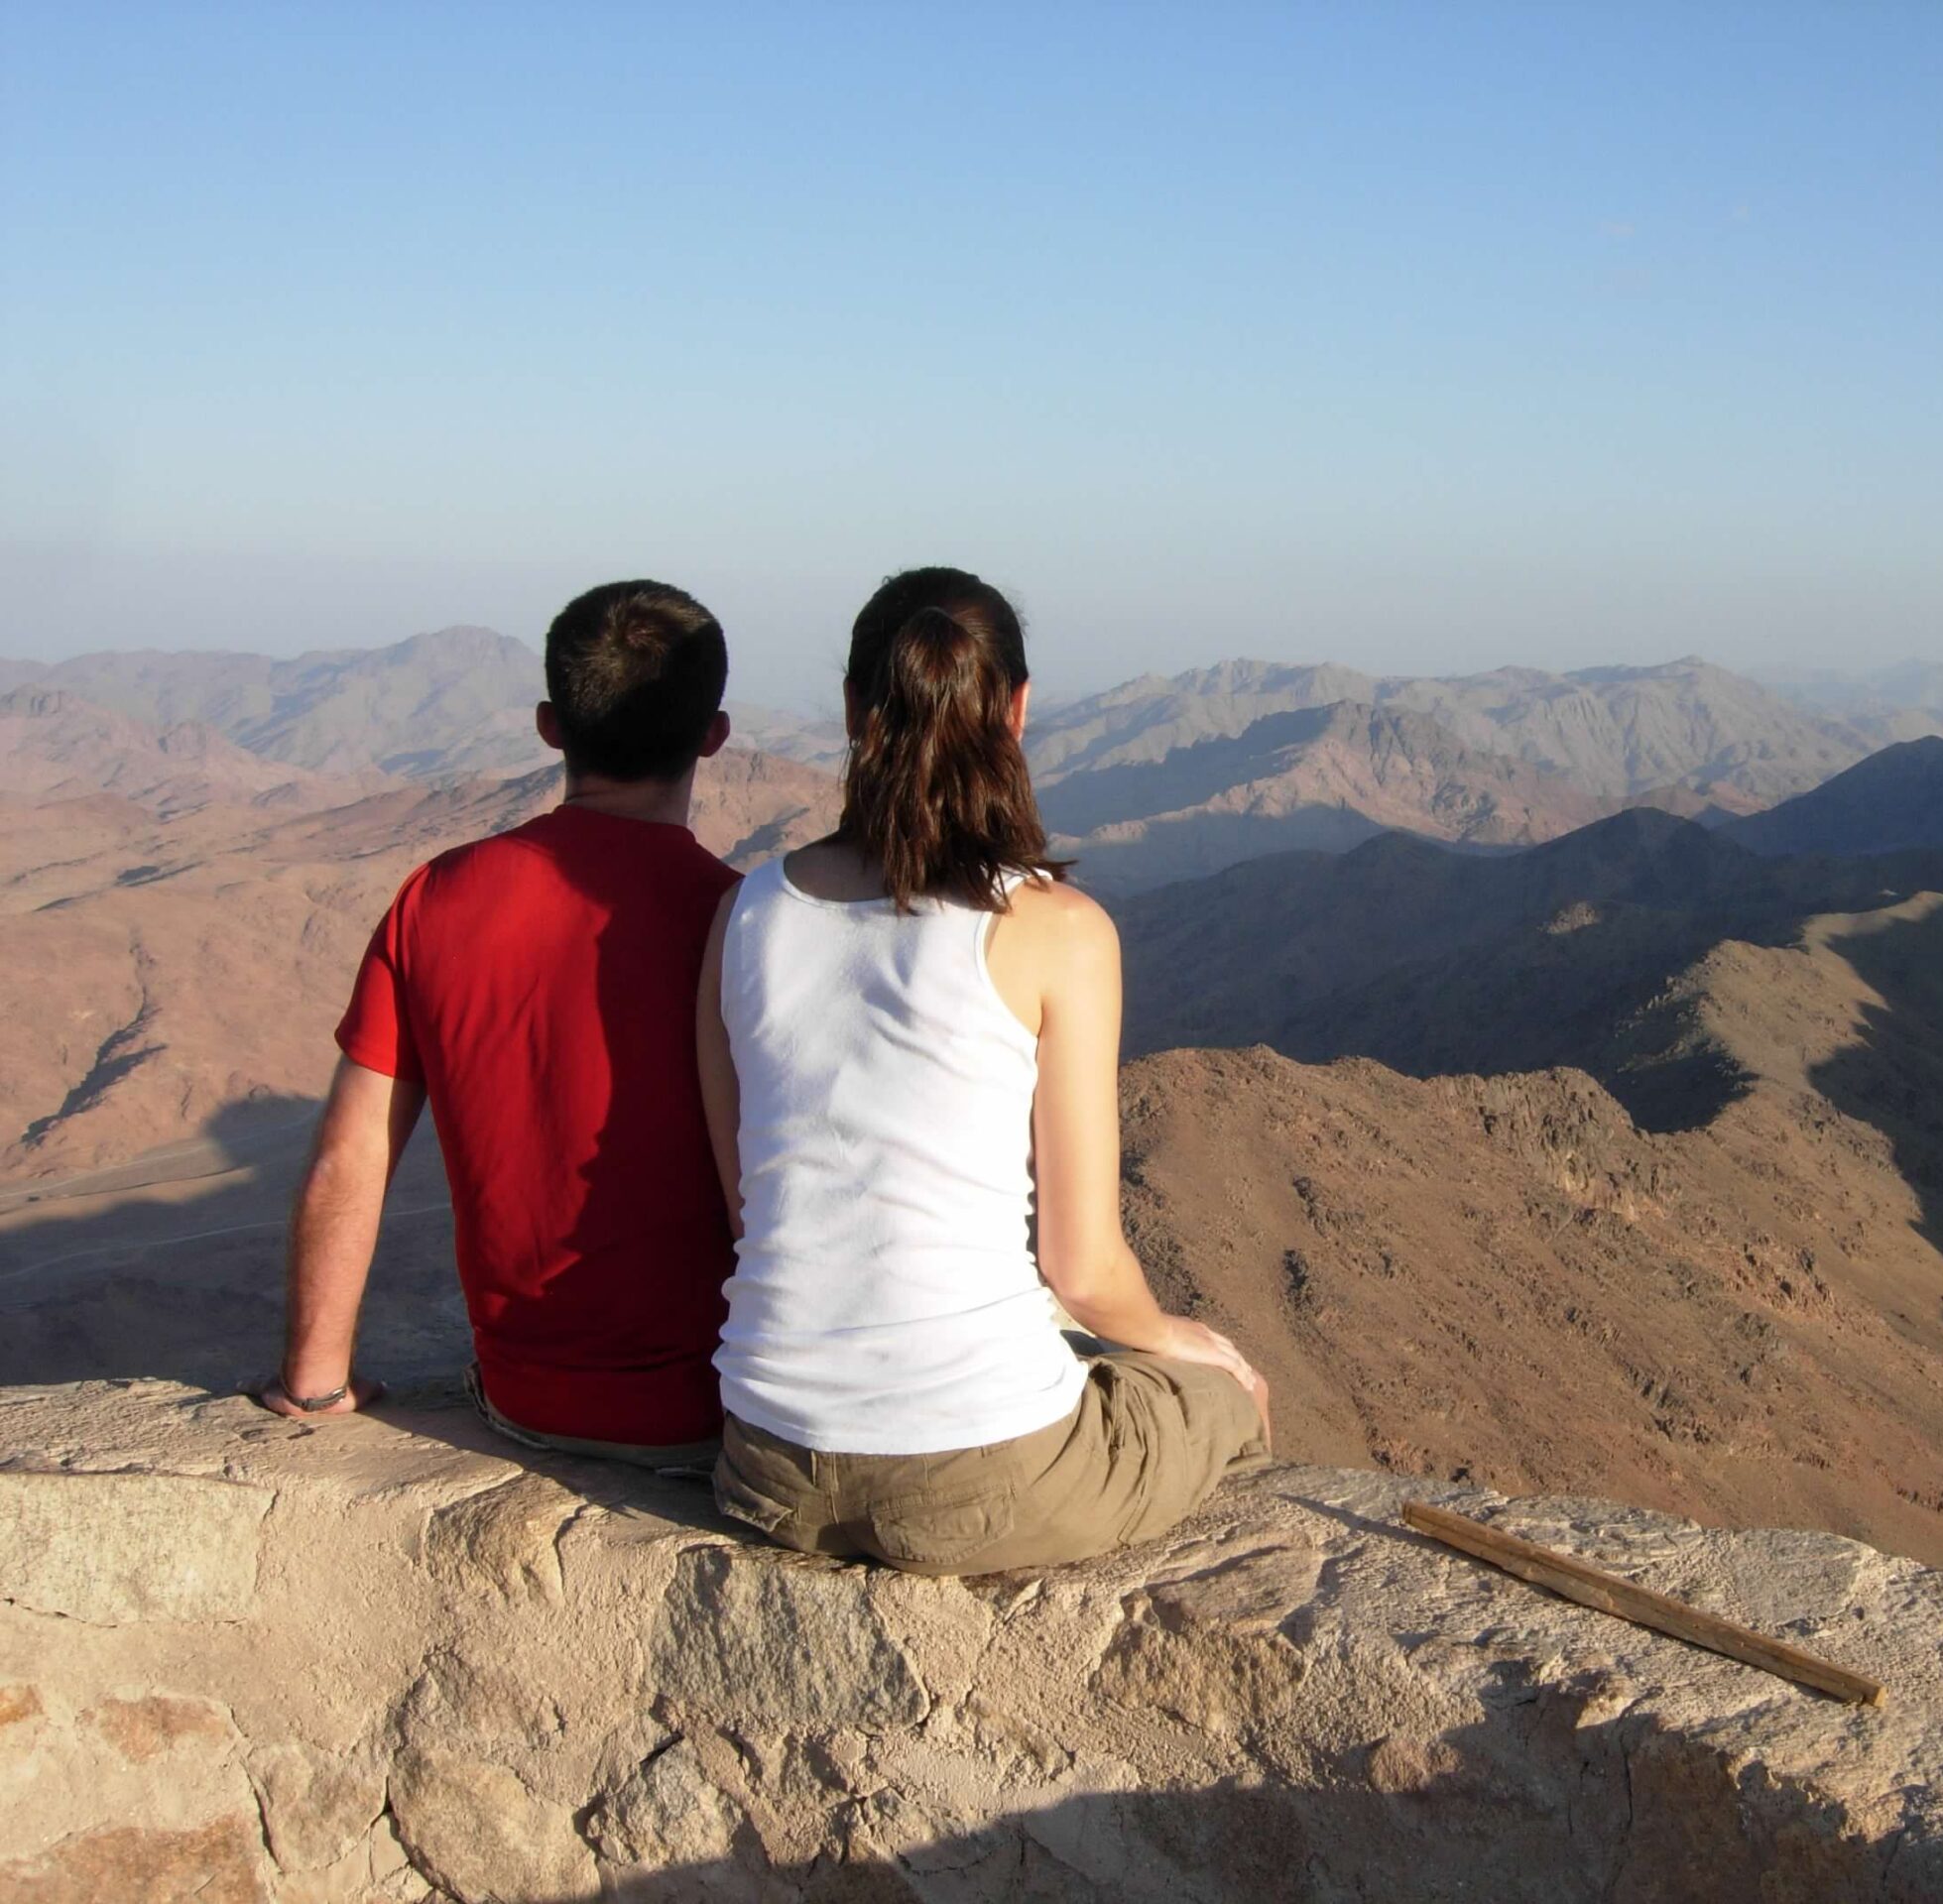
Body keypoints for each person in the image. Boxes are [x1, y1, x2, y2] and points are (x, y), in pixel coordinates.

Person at [697, 565, 1271, 1574]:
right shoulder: (1056, 931)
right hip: (977, 1479)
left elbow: (751, 1208)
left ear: (849, 709)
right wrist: (1180, 1340)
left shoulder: (744, 914)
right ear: (1017, 710)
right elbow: (1082, 1270)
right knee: (1225, 1396)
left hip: (765, 1463)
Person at [259, 580, 742, 1470]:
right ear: (714, 736)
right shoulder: (744, 924)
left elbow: (351, 1154)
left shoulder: (438, 898)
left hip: (524, 1401)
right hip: (720, 1410)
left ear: (550, 725)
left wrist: (316, 1381)